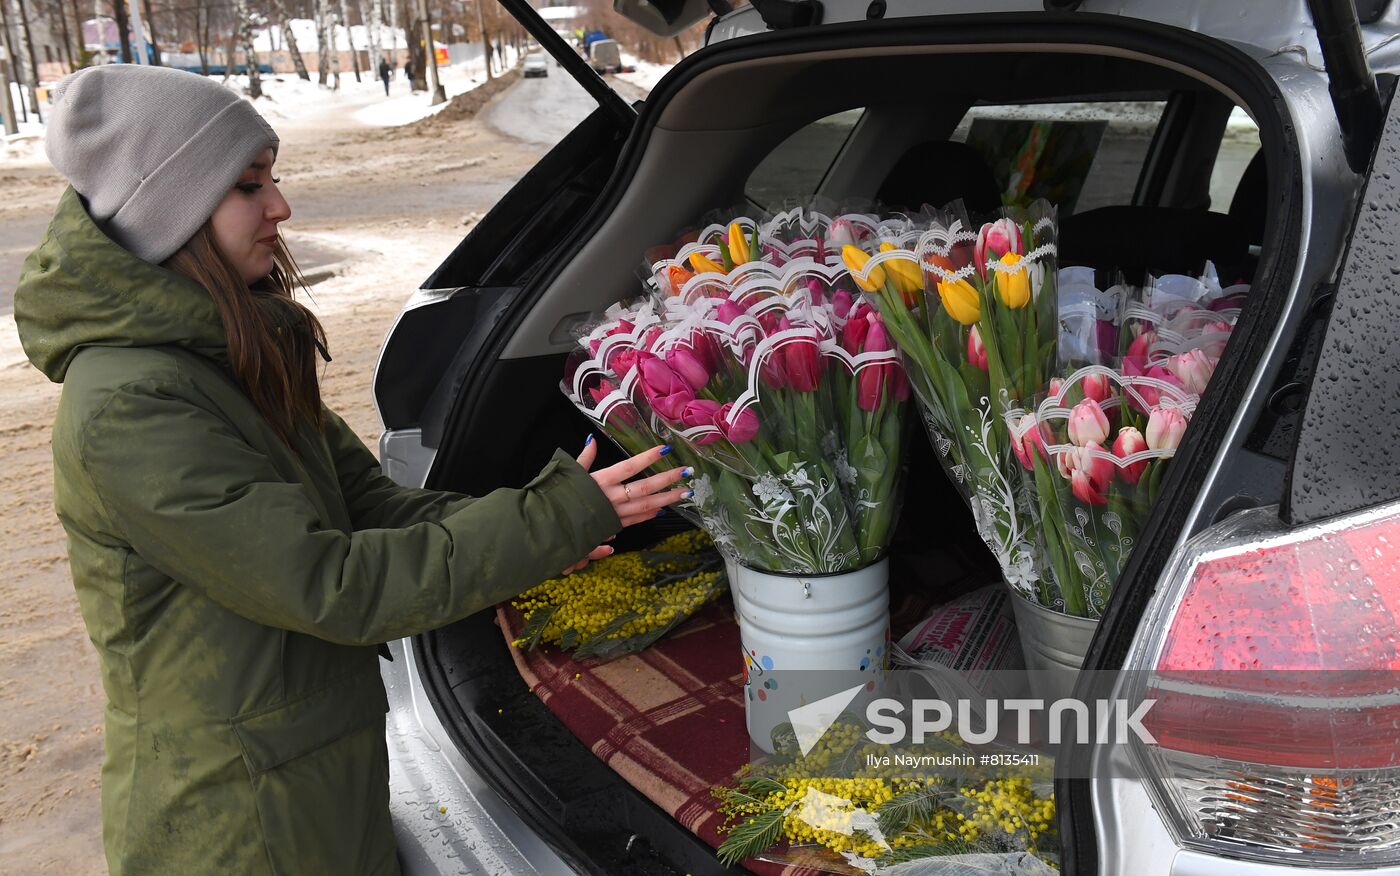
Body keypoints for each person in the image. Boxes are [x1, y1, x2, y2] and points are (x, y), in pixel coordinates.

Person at [13, 64, 688, 875]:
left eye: (273, 178)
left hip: (315, 782)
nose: (281, 208)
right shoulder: (135, 405)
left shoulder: (220, 352)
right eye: (246, 186)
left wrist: (535, 530)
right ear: (172, 211)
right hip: (239, 823)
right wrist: (549, 521)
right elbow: (334, 585)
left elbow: (368, 505)